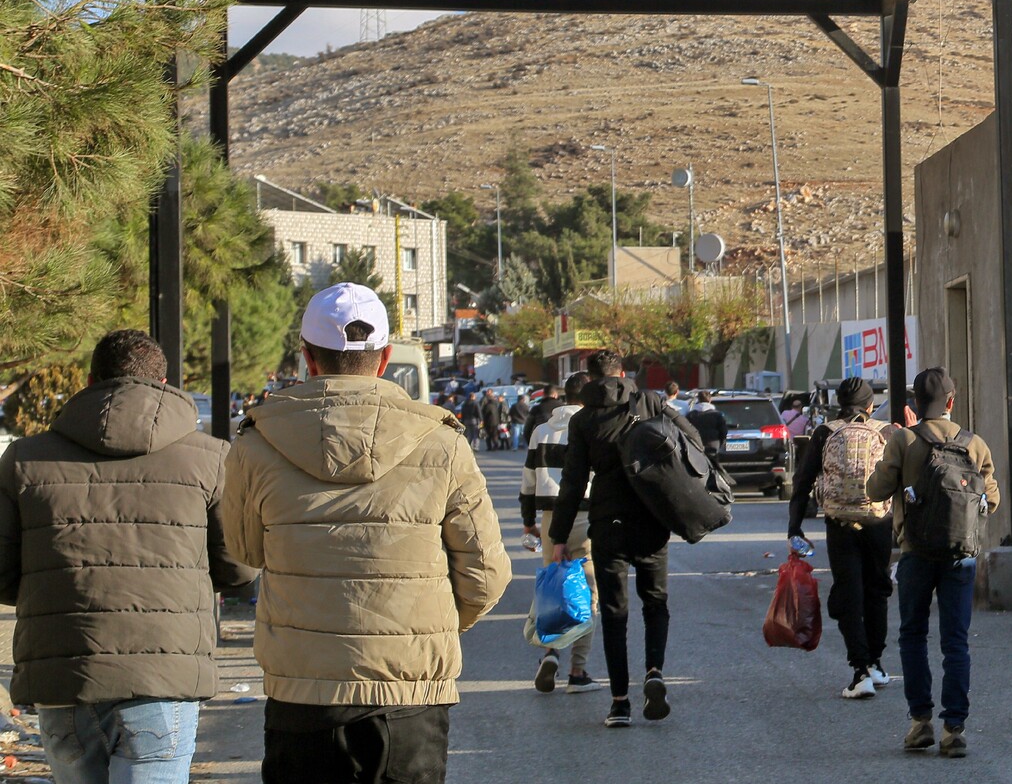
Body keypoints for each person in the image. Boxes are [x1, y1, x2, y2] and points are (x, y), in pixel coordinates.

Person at [223, 283, 512, 784]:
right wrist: (423, 629)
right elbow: (486, 576)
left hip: (302, 691)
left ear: (308, 357)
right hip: (408, 695)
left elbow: (246, 551)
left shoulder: (257, 441)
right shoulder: (441, 443)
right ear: (384, 359)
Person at [0, 330, 256, 784]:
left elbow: (2, 574)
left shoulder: (24, 459)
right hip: (163, 674)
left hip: (64, 675)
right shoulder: (211, 459)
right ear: (163, 383)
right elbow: (239, 568)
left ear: (90, 381)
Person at [549, 349, 705, 727]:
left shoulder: (583, 420)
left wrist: (558, 537)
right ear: (622, 374)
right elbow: (692, 437)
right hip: (652, 517)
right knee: (655, 602)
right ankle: (654, 671)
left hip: (607, 522)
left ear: (590, 377)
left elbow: (572, 482)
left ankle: (619, 703)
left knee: (615, 612)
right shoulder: (650, 401)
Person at [866, 368, 998, 758]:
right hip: (961, 554)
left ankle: (920, 722)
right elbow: (992, 498)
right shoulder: (974, 444)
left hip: (916, 552)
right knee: (955, 642)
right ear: (951, 401)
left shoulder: (905, 440)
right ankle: (953, 729)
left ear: (915, 403)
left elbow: (876, 489)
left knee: (913, 636)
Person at [786, 377, 896, 700]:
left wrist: (795, 528)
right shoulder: (887, 432)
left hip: (839, 524)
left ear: (839, 403)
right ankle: (875, 664)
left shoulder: (825, 433)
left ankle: (859, 672)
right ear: (870, 405)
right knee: (877, 590)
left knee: (849, 594)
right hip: (879, 523)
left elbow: (803, 481)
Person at [522, 372, 599, 694]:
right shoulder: (593, 428)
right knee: (587, 593)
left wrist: (529, 522)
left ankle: (550, 652)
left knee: (554, 589)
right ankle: (577, 672)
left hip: (551, 519)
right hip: (587, 516)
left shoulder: (541, 431)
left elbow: (528, 482)